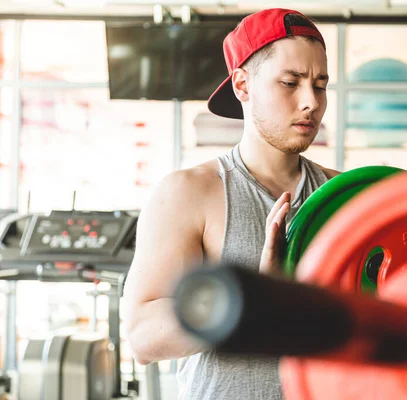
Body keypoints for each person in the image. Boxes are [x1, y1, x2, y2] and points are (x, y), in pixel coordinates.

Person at [122, 8, 340, 400]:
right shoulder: (189, 192)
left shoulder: (340, 195)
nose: (310, 102)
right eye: (290, 83)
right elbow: (141, 337)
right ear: (242, 84)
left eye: (320, 85)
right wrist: (244, 301)